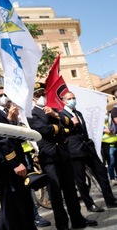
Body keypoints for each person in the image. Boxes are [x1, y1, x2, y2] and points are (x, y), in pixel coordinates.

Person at [28, 82, 97, 230]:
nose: (41, 97)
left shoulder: (54, 110)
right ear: (33, 98)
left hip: (64, 154)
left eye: (43, 94)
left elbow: (71, 125)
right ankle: (62, 224)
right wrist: (61, 128)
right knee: (55, 193)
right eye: (38, 95)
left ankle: (77, 219)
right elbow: (44, 130)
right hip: (50, 156)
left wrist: (55, 116)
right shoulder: (32, 114)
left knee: (70, 190)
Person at [0, 81, 36, 230]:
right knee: (15, 205)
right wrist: (15, 163)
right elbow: (0, 137)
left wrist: (9, 120)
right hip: (7, 167)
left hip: (1, 165)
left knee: (9, 204)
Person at [0, 87, 51, 228]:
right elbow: (3, 137)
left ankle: (33, 217)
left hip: (23, 155)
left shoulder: (13, 111)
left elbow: (20, 133)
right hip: (11, 161)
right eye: (1, 95)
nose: (4, 97)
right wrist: (9, 119)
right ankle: (33, 217)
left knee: (25, 190)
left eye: (5, 94)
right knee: (13, 197)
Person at [60, 91, 117, 212]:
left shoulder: (78, 113)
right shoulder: (62, 115)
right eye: (69, 98)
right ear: (64, 101)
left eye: (74, 97)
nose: (72, 100)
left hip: (87, 147)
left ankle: (110, 200)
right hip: (74, 150)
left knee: (101, 172)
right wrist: (71, 125)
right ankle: (90, 205)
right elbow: (62, 132)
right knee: (81, 180)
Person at [101, 114, 117, 185]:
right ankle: (112, 178)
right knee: (111, 162)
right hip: (108, 146)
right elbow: (110, 131)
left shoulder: (109, 123)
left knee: (116, 162)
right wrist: (110, 130)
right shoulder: (101, 125)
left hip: (115, 144)